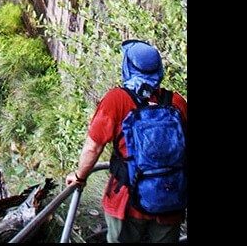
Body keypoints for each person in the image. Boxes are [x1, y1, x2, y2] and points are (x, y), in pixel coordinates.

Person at [65, 39, 187, 243]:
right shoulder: (176, 102)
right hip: (170, 201)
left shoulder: (116, 100)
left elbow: (93, 147)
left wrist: (79, 176)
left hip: (126, 202)